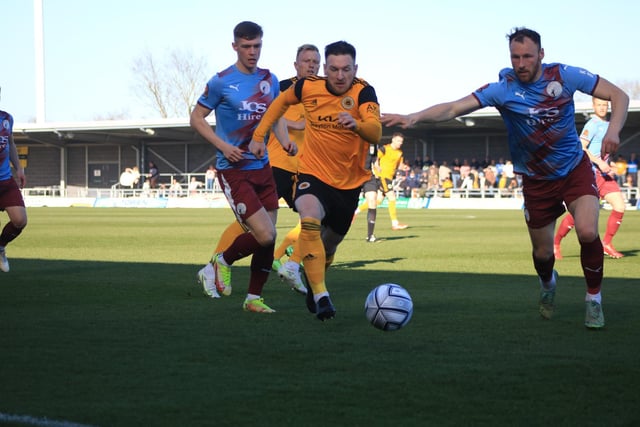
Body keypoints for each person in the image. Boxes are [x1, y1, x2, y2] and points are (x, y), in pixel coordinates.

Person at [381, 27, 629, 329]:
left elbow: (619, 95)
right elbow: (455, 107)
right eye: (515, 57)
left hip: (573, 169)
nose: (521, 63)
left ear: (541, 54)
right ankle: (549, 284)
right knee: (541, 253)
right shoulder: (503, 89)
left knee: (588, 232)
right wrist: (414, 116)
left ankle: (593, 300)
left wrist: (614, 130)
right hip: (536, 179)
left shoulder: (565, 76)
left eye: (527, 56)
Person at [251, 40, 382, 321]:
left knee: (330, 244)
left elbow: (375, 132)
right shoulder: (307, 86)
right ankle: (322, 296)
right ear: (325, 68)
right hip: (312, 173)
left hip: (348, 184)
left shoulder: (364, 91)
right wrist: (259, 136)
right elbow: (278, 105)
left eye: (346, 69)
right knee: (308, 217)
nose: (339, 75)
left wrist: (357, 124)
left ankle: (315, 283)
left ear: (354, 68)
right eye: (333, 69)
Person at [190, 21, 295, 313]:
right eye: (246, 46)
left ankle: (253, 299)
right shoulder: (221, 81)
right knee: (265, 235)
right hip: (234, 170)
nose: (252, 52)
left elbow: (277, 116)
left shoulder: (269, 79)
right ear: (235, 46)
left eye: (257, 46)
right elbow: (196, 118)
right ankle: (220, 261)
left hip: (263, 168)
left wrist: (285, 141)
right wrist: (223, 146)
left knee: (268, 238)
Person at [269, 44, 321, 294]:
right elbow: (266, 115)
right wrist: (295, 126)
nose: (311, 65)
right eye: (307, 61)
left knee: (315, 218)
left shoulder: (323, 91)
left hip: (302, 168)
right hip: (275, 164)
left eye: (315, 61)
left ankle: (287, 261)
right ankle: (219, 261)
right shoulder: (281, 87)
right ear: (296, 65)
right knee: (260, 228)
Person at [554, 97, 627, 259]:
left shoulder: (608, 126)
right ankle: (556, 242)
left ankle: (606, 244)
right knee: (577, 216)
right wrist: (600, 163)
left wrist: (610, 164)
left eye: (604, 105)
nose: (601, 108)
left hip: (604, 175)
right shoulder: (592, 125)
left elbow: (602, 152)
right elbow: (581, 147)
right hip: (589, 174)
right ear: (593, 106)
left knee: (620, 206)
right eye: (599, 105)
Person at [0, 107, 28, 273]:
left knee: (20, 221)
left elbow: (10, 143)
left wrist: (19, 168)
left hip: (5, 181)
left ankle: (1, 247)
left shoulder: (6, 118)